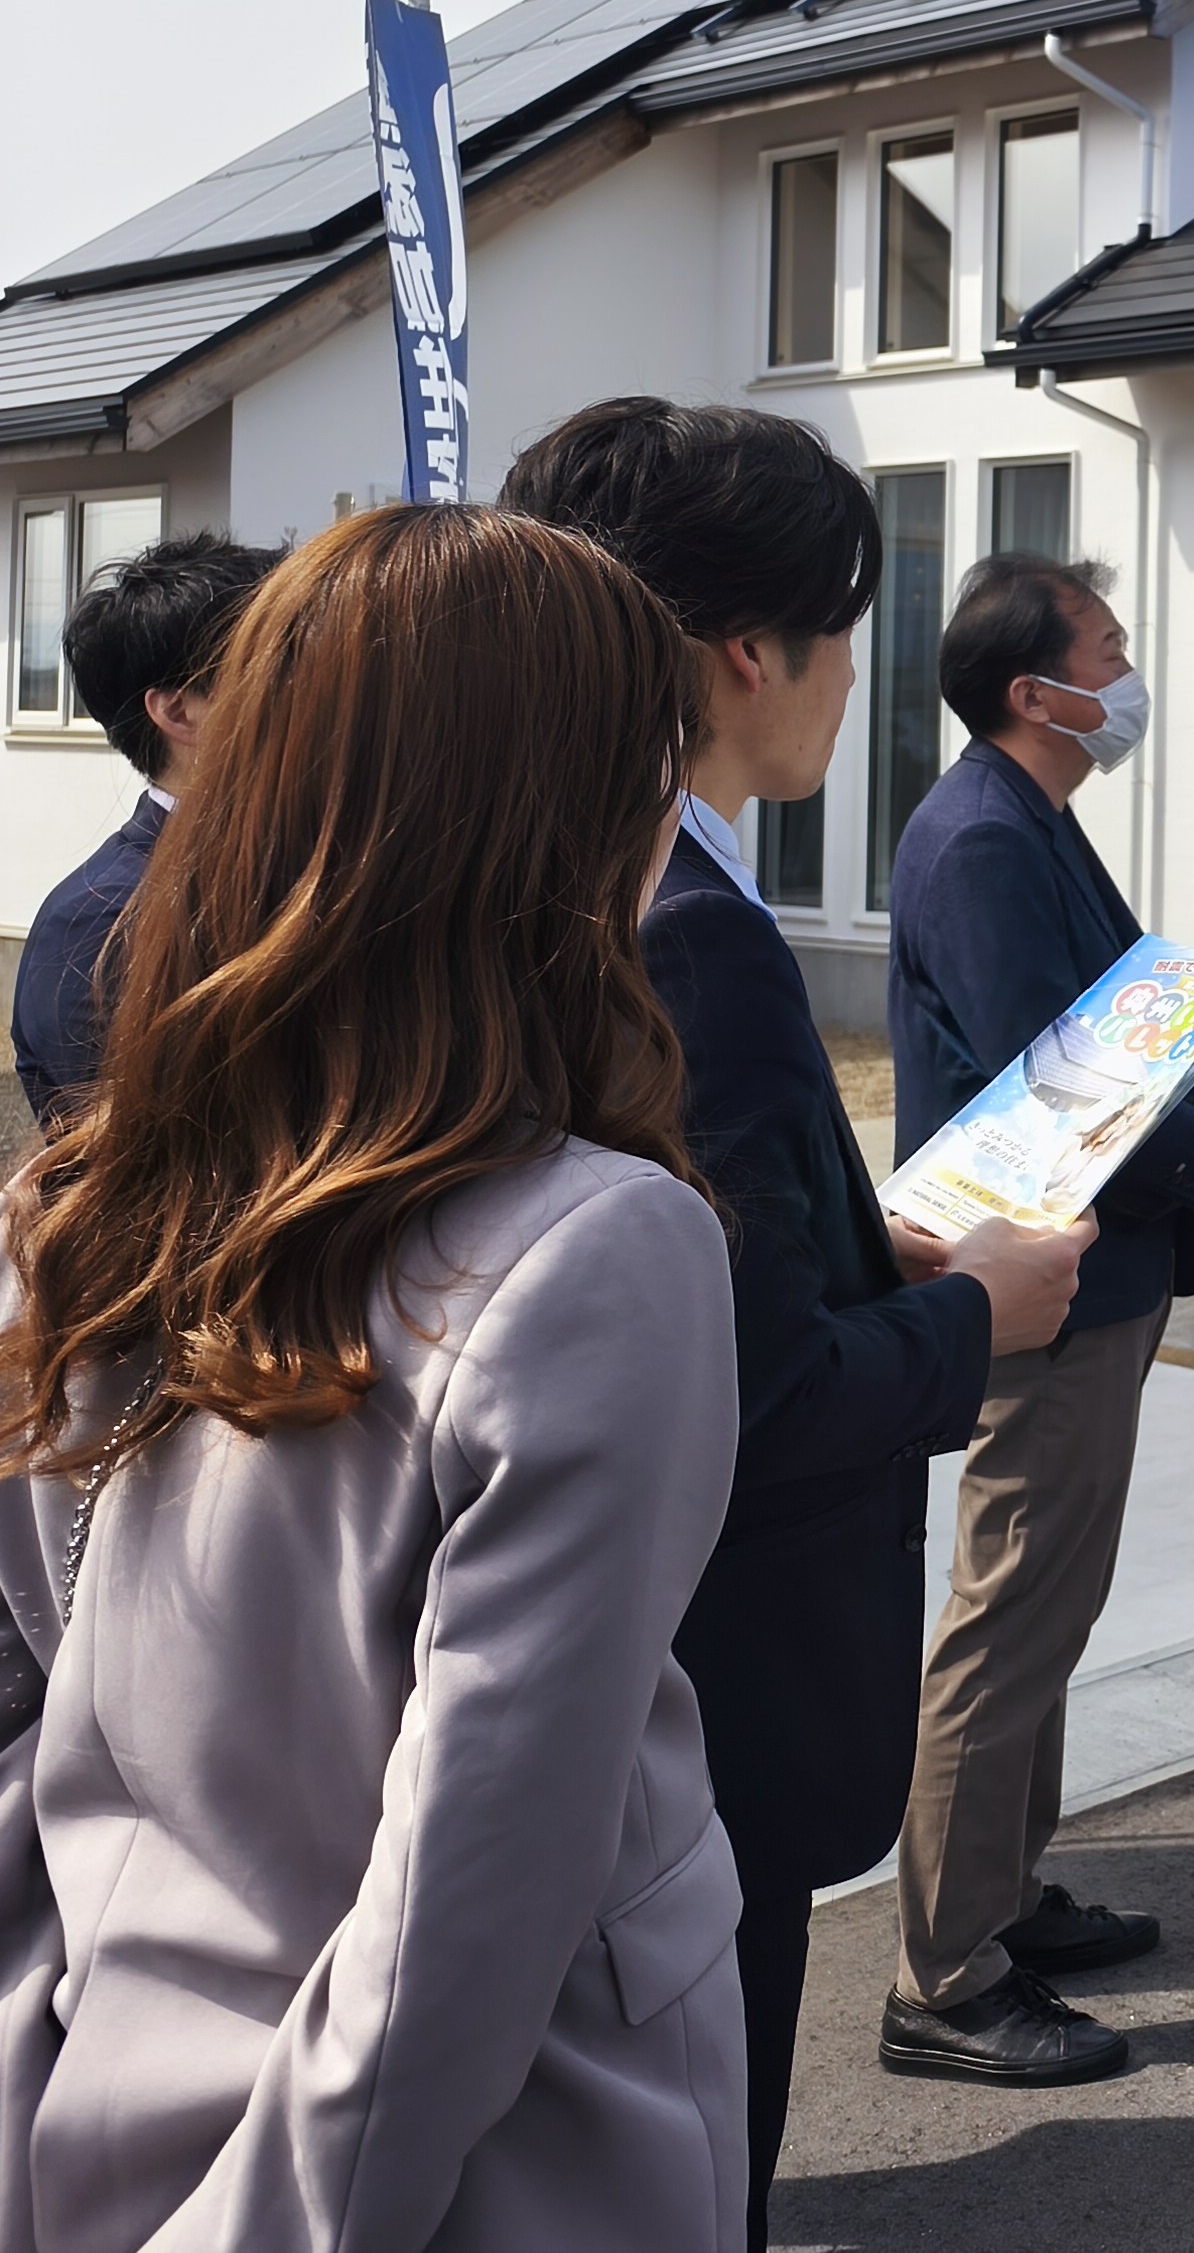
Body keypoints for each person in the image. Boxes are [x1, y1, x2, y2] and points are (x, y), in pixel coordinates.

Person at [0, 504, 745, 2249]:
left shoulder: (73, 1204)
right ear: (575, 824)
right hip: (492, 2163)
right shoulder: (596, 1246)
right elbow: (461, 1920)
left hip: (102, 2097)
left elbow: (25, 1737)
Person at [503, 402, 1086, 2237]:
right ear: (745, 655)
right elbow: (746, 1395)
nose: (856, 681)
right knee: (695, 2154)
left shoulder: (532, 869)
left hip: (582, 1683)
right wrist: (976, 1315)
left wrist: (853, 1246)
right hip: (712, 1697)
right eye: (847, 631)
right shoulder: (686, 931)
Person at [880, 553, 1194, 2086]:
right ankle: (945, 1975)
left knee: (1048, 1602)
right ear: (1034, 692)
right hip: (1040, 1281)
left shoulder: (1026, 818)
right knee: (1013, 1609)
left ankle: (1003, 1895)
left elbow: (1119, 1028)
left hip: (1090, 1272)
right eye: (1107, 648)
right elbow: (1064, 1081)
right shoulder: (983, 839)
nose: (1128, 672)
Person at [8, 530, 277, 1122]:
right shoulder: (100, 923)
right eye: (281, 667)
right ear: (180, 712)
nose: (321, 693)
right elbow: (140, 1161)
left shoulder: (312, 862)